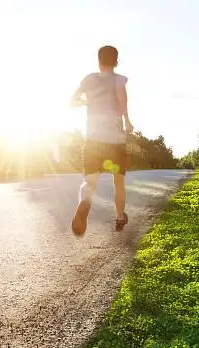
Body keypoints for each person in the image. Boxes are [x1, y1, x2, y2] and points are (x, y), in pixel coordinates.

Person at [70, 45, 133, 236]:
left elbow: (73, 102)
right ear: (116, 61)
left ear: (99, 61)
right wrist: (128, 122)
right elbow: (123, 102)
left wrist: (87, 102)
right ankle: (120, 217)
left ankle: (84, 203)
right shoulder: (118, 80)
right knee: (119, 182)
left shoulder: (89, 80)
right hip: (115, 141)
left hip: (94, 140)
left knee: (89, 182)